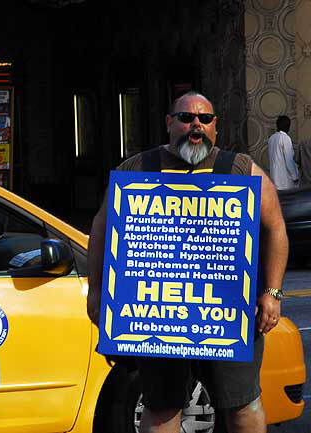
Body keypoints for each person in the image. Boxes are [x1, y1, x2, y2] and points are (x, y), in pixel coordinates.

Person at [86, 91, 287, 433]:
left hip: (230, 315)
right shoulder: (137, 169)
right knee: (162, 405)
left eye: (204, 119)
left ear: (215, 127)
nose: (196, 125)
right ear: (169, 123)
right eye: (186, 118)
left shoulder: (239, 169)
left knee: (242, 404)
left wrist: (272, 291)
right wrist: (96, 291)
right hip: (158, 318)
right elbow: (102, 232)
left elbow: (276, 229)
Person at [267, 115, 299, 190]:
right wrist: (295, 176)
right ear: (288, 126)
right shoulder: (285, 138)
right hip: (285, 181)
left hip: (274, 179)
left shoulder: (272, 138)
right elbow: (289, 161)